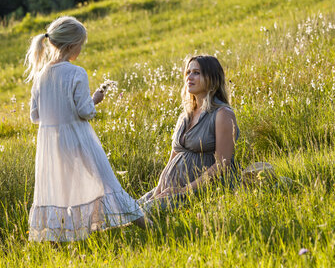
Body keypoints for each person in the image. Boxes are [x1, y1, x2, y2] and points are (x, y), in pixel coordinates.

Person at [25, 16, 150, 242]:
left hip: (51, 145)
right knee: (106, 182)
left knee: (61, 191)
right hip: (78, 139)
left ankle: (61, 241)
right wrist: (95, 100)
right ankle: (151, 229)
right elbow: (85, 111)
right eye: (81, 45)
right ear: (72, 45)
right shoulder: (76, 73)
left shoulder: (41, 76)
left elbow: (35, 116)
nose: (81, 49)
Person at [138, 55, 239, 210]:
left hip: (200, 190)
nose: (189, 77)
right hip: (170, 190)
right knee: (127, 211)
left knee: (142, 213)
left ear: (212, 78)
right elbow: (173, 157)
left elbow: (222, 164)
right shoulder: (186, 115)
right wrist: (158, 189)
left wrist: (184, 190)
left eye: (196, 73)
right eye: (188, 72)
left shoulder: (222, 114)